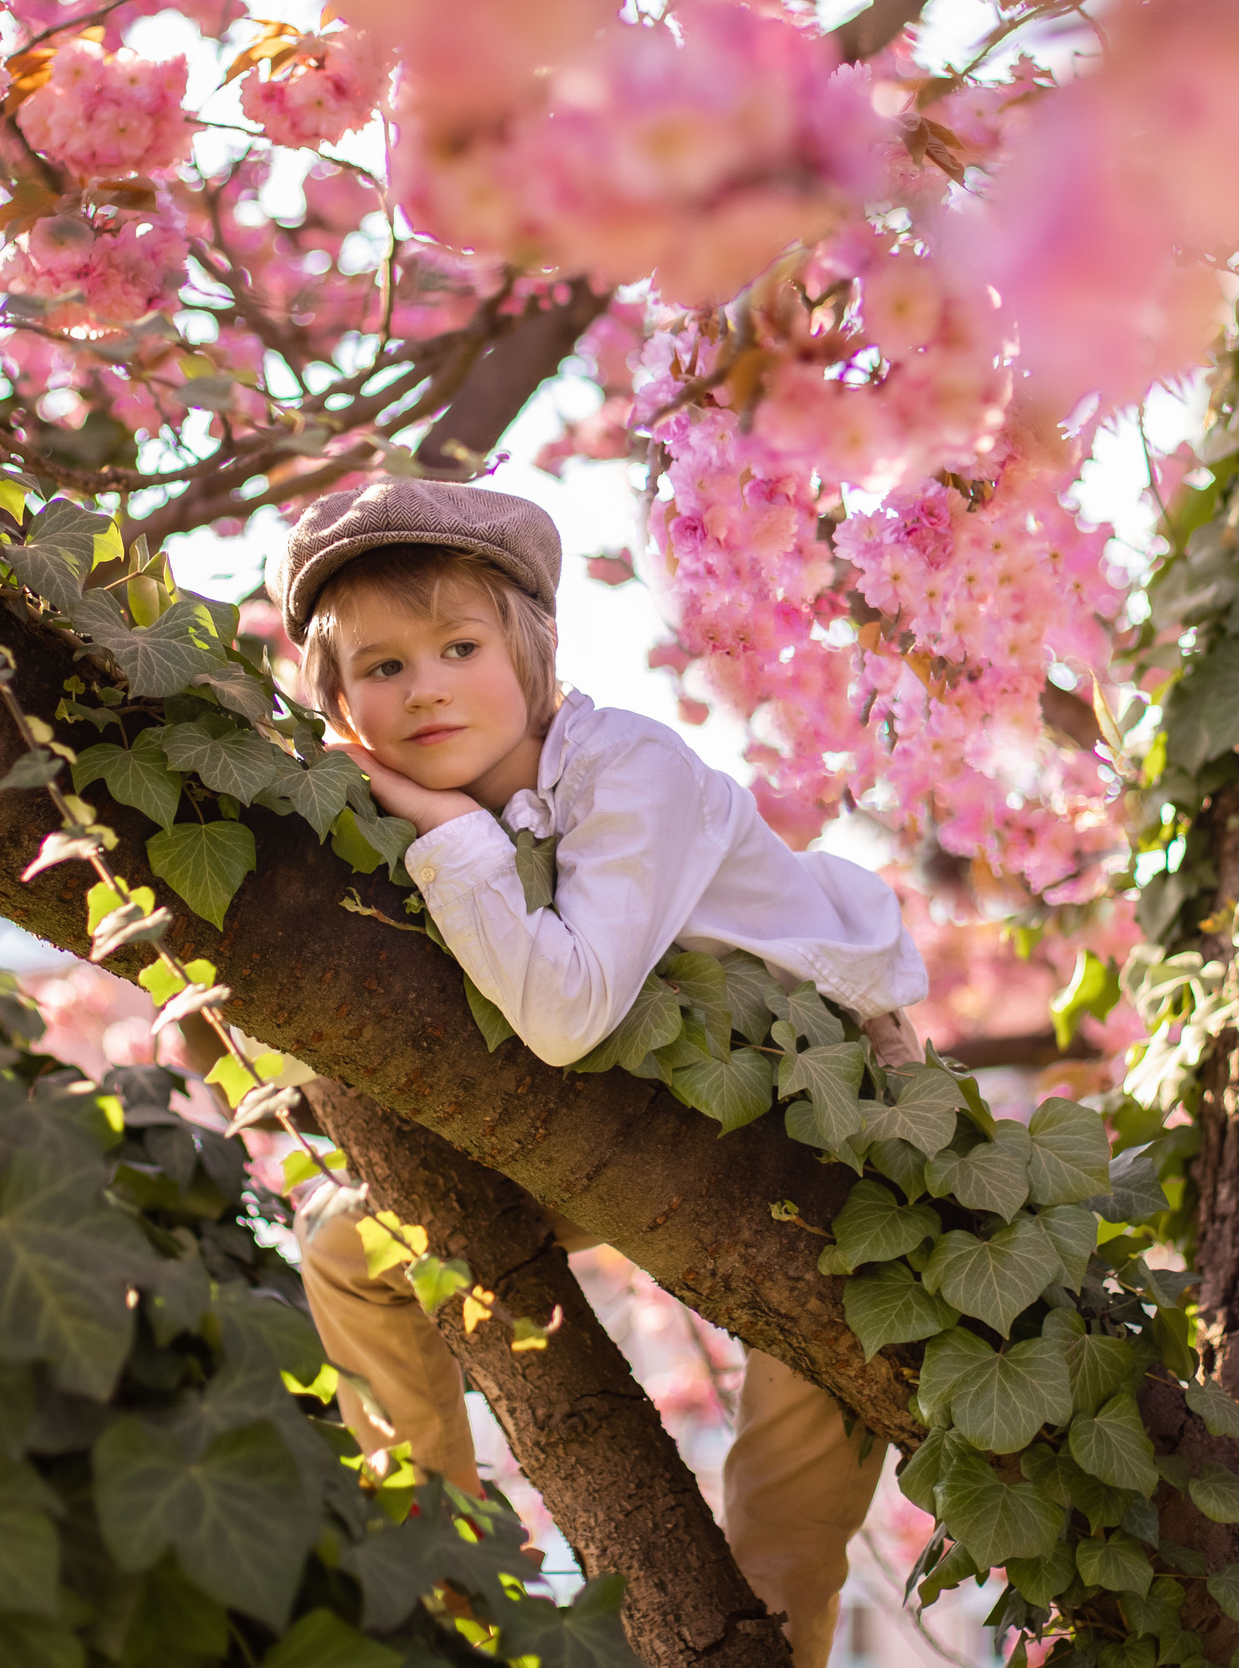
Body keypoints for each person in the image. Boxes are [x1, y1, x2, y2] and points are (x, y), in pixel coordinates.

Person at [267, 479, 929, 1668]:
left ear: (536, 649)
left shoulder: (627, 765)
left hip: (822, 1147)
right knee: (344, 1246)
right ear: (337, 705)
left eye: (458, 647)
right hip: (639, 1133)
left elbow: (568, 1009)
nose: (423, 687)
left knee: (778, 1539)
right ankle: (444, 1573)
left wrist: (438, 823)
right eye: (380, 667)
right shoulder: (377, 811)